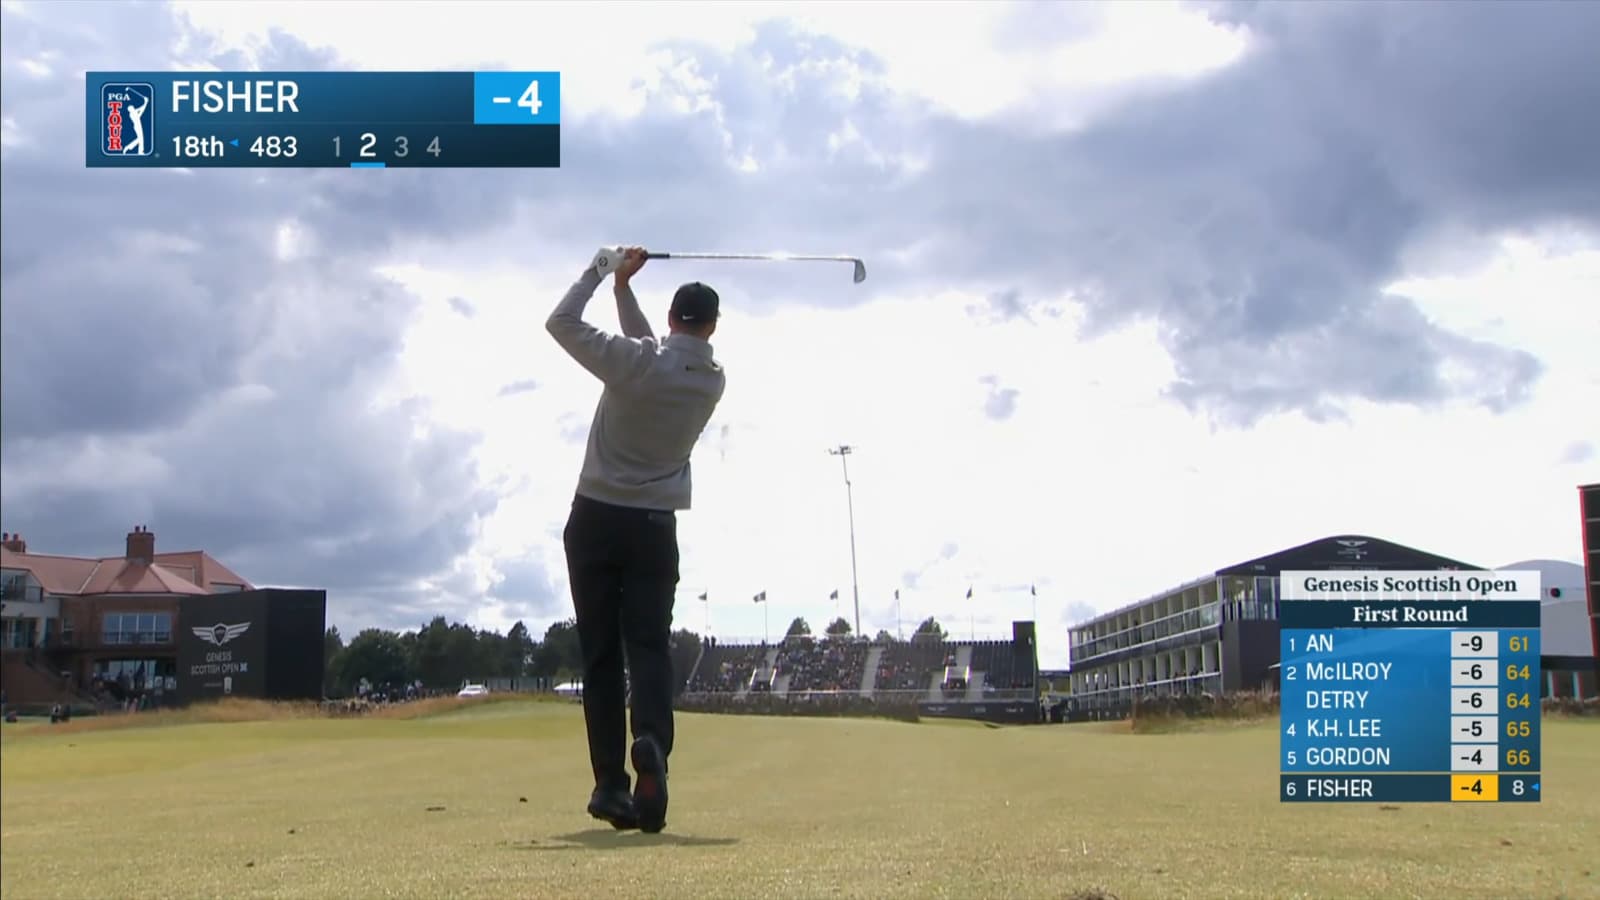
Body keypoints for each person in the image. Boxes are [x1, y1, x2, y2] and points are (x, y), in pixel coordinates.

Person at [546, 246, 727, 834]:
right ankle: (650, 740)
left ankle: (609, 786)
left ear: (673, 318)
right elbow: (657, 354)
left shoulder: (638, 363)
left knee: (601, 657)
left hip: (595, 519)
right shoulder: (710, 379)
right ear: (712, 326)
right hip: (654, 528)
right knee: (647, 648)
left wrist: (600, 271)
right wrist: (626, 291)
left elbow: (561, 323)